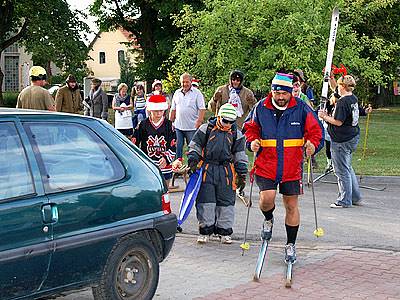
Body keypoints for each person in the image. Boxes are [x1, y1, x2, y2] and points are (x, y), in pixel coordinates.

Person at [244, 72, 324, 263]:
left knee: (291, 205)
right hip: (266, 164)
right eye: (276, 93)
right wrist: (252, 141)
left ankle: (290, 244)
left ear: (291, 92)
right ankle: (268, 218)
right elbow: (249, 128)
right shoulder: (261, 107)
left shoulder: (301, 108)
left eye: (284, 94)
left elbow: (316, 131)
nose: (280, 97)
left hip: (291, 166)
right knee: (266, 199)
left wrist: (313, 145)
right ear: (272, 91)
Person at [187, 103, 248, 244]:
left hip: (226, 171)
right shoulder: (206, 129)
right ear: (219, 117)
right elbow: (195, 145)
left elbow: (240, 154)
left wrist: (242, 173)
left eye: (231, 122)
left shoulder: (236, 134)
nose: (228, 124)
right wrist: (193, 161)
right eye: (225, 121)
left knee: (226, 202)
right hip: (208, 168)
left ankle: (224, 232)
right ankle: (205, 231)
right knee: (206, 200)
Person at [318, 75, 369, 208]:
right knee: (347, 167)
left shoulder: (342, 102)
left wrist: (324, 116)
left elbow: (338, 122)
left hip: (342, 139)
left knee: (341, 170)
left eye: (339, 86)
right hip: (352, 136)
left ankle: (344, 200)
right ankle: (355, 196)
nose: (337, 88)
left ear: (343, 86)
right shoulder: (353, 98)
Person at [133, 95, 177, 186]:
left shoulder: (169, 125)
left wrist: (166, 158)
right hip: (147, 164)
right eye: (156, 110)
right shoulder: (142, 124)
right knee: (149, 190)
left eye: (161, 110)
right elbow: (134, 143)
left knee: (164, 192)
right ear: (150, 110)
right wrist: (139, 159)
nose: (158, 113)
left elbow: (174, 144)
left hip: (165, 166)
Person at [169, 72, 206, 159]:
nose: (185, 84)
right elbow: (173, 109)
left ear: (190, 82)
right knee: (177, 148)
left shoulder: (197, 93)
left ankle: (192, 166)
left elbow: (202, 109)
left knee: (192, 148)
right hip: (178, 126)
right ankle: (177, 166)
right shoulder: (177, 93)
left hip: (192, 127)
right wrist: (170, 122)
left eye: (187, 82)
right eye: (183, 82)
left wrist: (199, 122)